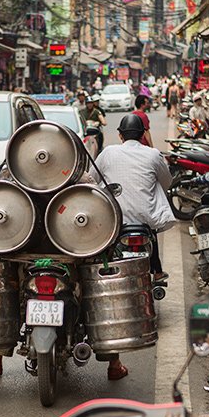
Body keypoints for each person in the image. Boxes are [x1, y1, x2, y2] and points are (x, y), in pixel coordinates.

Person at [87, 114, 175, 380]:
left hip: (113, 224)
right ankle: (155, 271)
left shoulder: (108, 153)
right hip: (143, 224)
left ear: (120, 135)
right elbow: (167, 182)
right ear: (143, 134)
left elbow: (90, 180)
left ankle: (114, 361)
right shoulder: (152, 155)